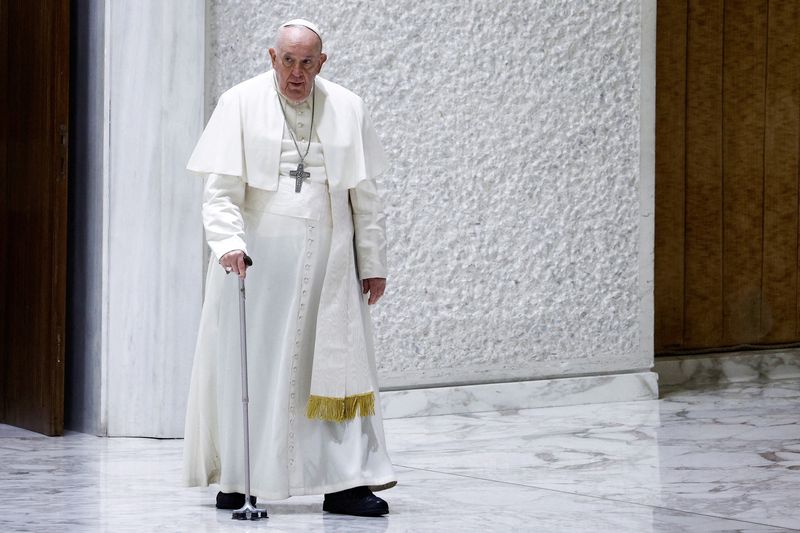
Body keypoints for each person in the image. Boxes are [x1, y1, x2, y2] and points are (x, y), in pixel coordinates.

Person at [182, 19, 396, 517]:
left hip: (332, 266)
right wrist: (229, 244)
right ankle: (241, 475)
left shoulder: (348, 106)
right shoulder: (239, 102)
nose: (296, 73)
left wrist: (374, 260)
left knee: (332, 370)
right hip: (257, 265)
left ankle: (343, 484)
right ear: (271, 57)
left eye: (307, 62)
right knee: (252, 370)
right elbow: (220, 192)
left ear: (322, 63)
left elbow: (365, 196)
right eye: (287, 60)